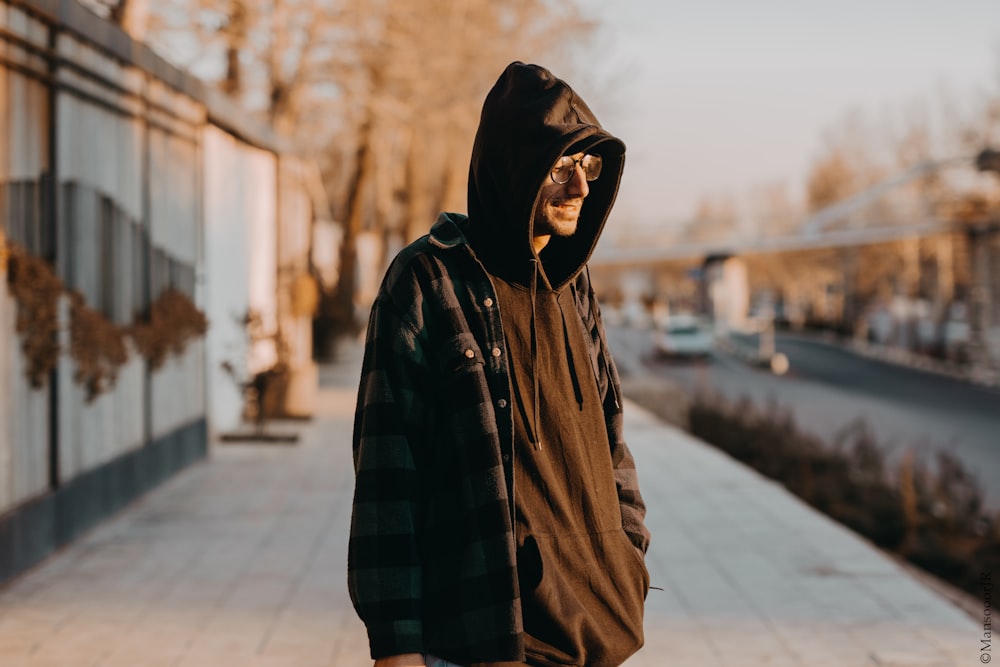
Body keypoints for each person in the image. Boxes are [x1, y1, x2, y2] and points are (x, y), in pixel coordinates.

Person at [349, 61, 651, 667]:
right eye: (562, 167)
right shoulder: (427, 281)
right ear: (515, 168)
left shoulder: (575, 286)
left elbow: (610, 437)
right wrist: (396, 646)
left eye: (588, 166)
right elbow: (388, 476)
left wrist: (626, 553)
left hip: (601, 635)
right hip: (484, 640)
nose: (581, 187)